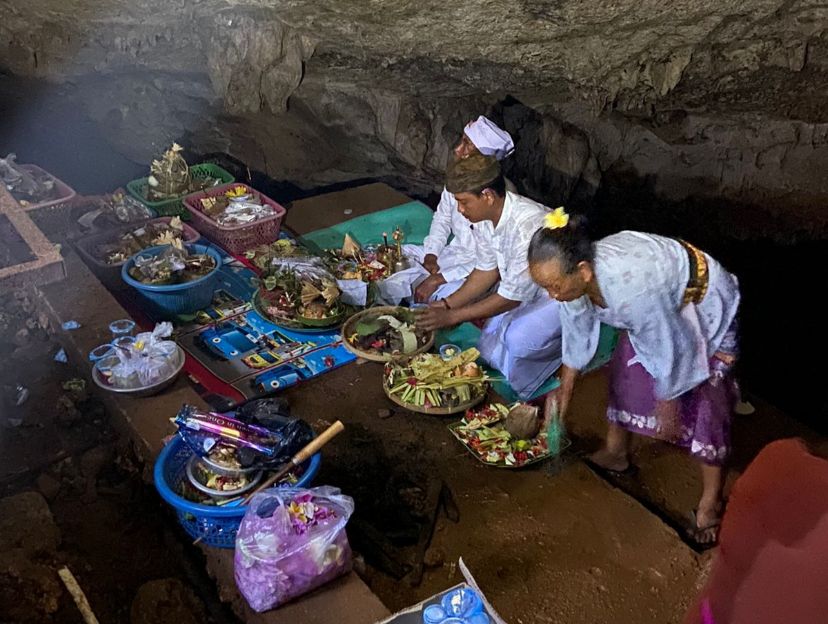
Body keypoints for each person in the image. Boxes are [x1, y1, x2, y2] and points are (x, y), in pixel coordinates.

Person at [526, 209, 741, 547]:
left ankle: (710, 505)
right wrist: (563, 392)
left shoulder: (631, 291)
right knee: (627, 373)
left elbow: (670, 342)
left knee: (706, 400)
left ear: (583, 271)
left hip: (702, 301)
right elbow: (576, 329)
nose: (551, 295)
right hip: (658, 310)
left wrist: (668, 402)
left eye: (553, 287)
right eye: (545, 287)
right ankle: (616, 452)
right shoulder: (575, 281)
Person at [416, 153, 562, 399]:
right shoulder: (485, 218)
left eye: (464, 202)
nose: (460, 210)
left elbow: (511, 298)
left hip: (560, 296)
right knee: (489, 348)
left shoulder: (528, 225)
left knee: (516, 341)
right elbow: (486, 270)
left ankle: (563, 349)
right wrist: (446, 304)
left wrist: (453, 315)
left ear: (487, 196)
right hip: (523, 290)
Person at [411, 116, 515, 304]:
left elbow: (491, 264)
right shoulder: (458, 180)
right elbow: (442, 218)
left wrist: (439, 279)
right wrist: (431, 254)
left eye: (467, 145)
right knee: (395, 259)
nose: (458, 149)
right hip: (452, 255)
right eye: (461, 141)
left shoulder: (499, 199)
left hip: (476, 272)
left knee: (446, 298)